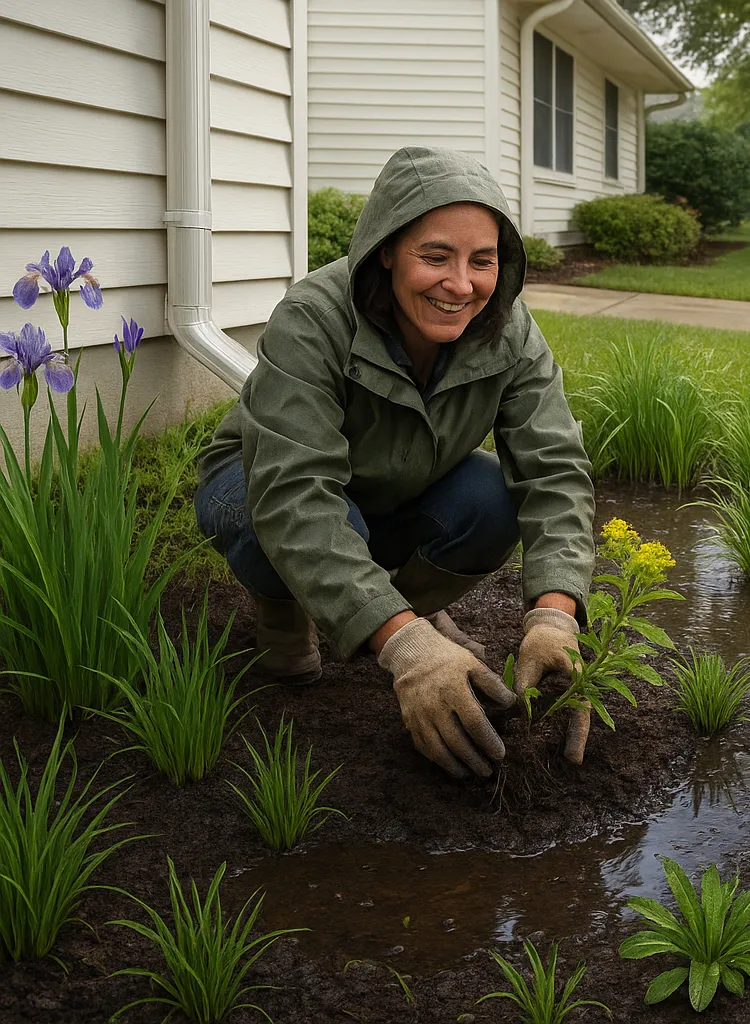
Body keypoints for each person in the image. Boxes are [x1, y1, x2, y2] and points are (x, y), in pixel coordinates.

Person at [195, 146, 595, 779]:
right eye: (435, 256)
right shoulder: (312, 319)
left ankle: (390, 610)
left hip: (396, 488)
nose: (460, 284)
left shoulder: (510, 332)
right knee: (282, 517)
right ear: (386, 250)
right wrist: (409, 651)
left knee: (492, 502)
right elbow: (296, 495)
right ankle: (291, 612)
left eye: (481, 261)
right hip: (258, 481)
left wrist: (554, 616)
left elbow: (554, 471)